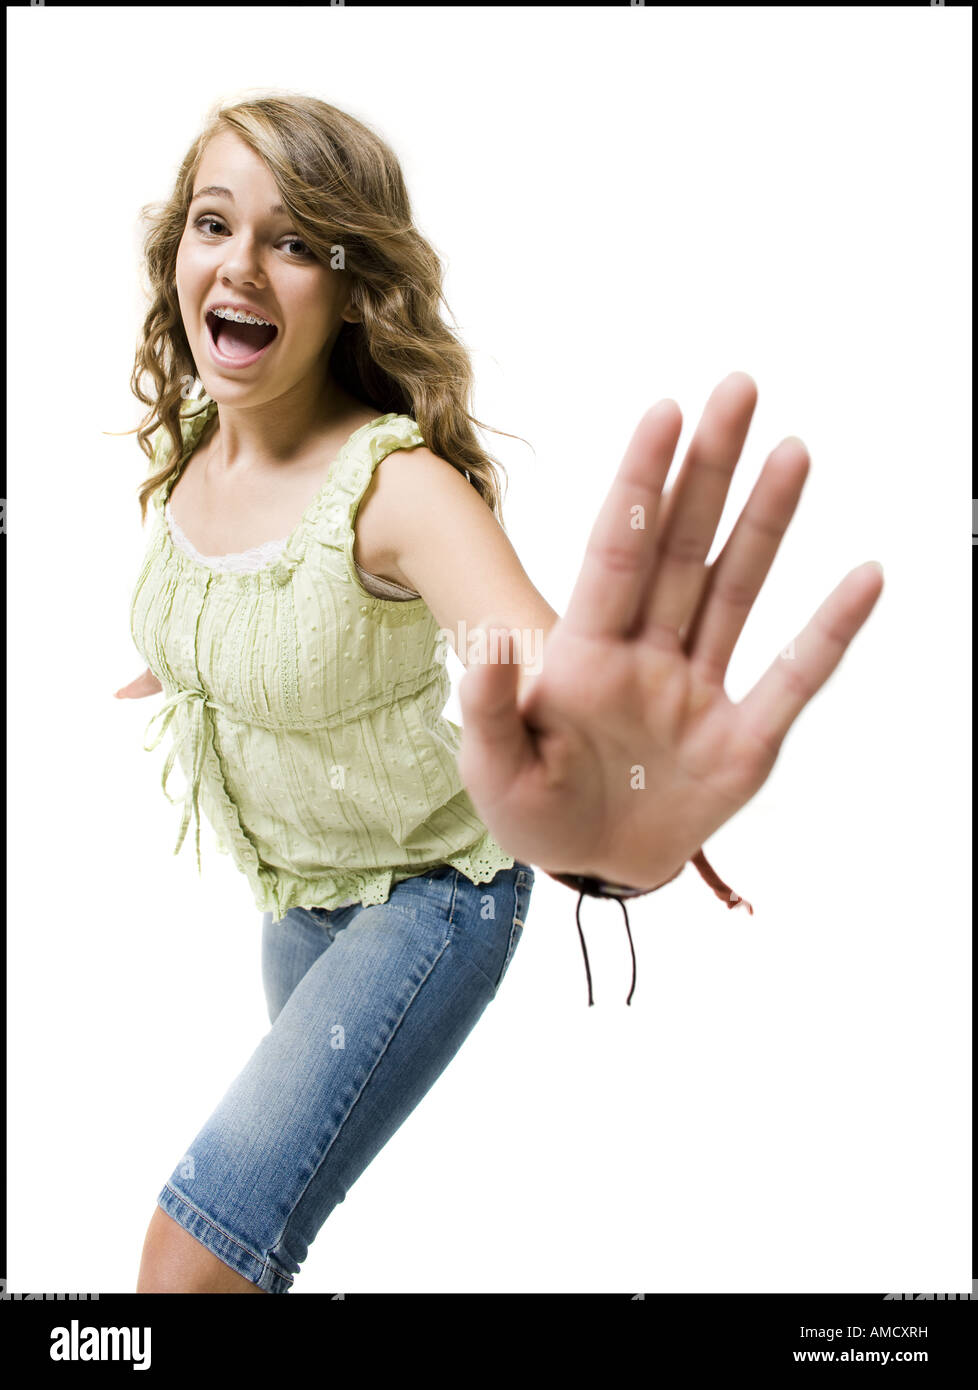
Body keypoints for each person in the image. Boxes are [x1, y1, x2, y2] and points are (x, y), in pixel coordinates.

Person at [115, 92, 883, 1294]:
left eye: (297, 240)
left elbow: (537, 666)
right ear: (178, 251)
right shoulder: (201, 454)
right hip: (299, 902)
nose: (244, 263)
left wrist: (609, 786)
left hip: (430, 901)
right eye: (216, 224)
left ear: (351, 281)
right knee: (263, 1249)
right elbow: (239, 588)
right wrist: (189, 650)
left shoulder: (397, 489)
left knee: (190, 1262)